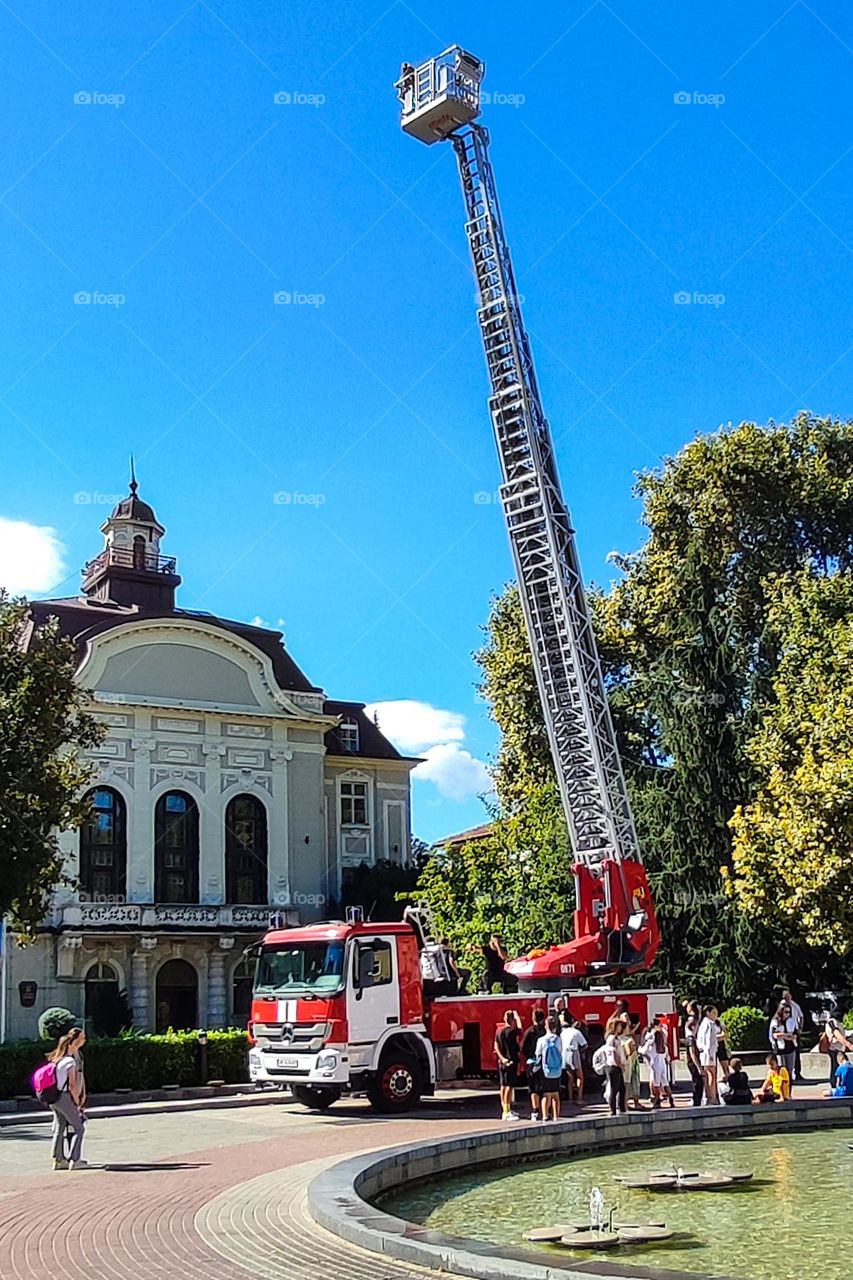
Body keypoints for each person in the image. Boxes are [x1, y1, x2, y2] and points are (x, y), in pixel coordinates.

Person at [47, 1027, 89, 1171]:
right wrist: (77, 1100)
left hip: (53, 1097)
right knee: (79, 1128)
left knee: (60, 1127)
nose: (84, 1040)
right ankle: (75, 1160)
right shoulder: (70, 1061)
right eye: (82, 1037)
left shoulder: (57, 1059)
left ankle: (58, 1159)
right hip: (65, 1097)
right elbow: (72, 1084)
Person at [535, 1015, 565, 1121]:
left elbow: (538, 1054)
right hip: (557, 1070)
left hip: (546, 1070)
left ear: (545, 1026)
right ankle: (556, 1116)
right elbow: (560, 1051)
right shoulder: (558, 1039)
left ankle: (545, 1116)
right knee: (556, 1094)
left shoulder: (541, 1040)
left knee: (546, 1094)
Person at [494, 1010, 521, 1121]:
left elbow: (495, 1046)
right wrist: (518, 1016)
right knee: (509, 1086)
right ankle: (506, 1112)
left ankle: (505, 1107)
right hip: (511, 1061)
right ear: (512, 1020)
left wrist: (502, 1058)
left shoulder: (499, 1032)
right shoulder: (511, 1032)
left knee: (503, 1085)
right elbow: (520, 1029)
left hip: (502, 1062)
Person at [642, 1022, 674, 1109]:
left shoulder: (652, 1046)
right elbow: (668, 1058)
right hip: (663, 1065)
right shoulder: (664, 1047)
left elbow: (643, 1051)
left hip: (655, 1065)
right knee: (665, 1082)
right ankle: (671, 1099)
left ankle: (657, 1101)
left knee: (655, 1084)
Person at [522, 1009, 546, 1120]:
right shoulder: (545, 1032)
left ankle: (535, 1111)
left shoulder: (529, 1031)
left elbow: (522, 1048)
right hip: (545, 1063)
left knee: (533, 1088)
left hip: (532, 1062)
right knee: (545, 1088)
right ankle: (546, 1111)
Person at [768, 1000, 798, 1090]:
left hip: (791, 1049)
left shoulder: (792, 1021)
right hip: (780, 1051)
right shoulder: (775, 1022)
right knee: (781, 1070)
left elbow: (795, 1035)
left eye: (789, 1012)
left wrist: (784, 1035)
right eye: (785, 1012)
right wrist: (786, 1035)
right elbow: (775, 1035)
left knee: (789, 1071)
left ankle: (788, 1091)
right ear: (781, 1012)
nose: (787, 1014)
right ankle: (779, 1091)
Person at [559, 1012, 588, 1104]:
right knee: (580, 1076)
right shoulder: (576, 1032)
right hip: (573, 1052)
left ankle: (570, 1098)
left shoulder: (563, 1032)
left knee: (570, 1077)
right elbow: (585, 1045)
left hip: (564, 1054)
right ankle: (579, 1098)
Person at [696, 1005, 721, 1105]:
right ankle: (712, 1097)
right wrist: (709, 1053)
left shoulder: (705, 1024)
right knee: (712, 1075)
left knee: (709, 1075)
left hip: (707, 1052)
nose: (715, 1016)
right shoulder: (708, 1024)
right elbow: (708, 1040)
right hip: (709, 1052)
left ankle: (709, 1096)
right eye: (714, 1013)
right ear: (708, 1013)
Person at [602, 1018, 627, 1116]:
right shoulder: (612, 1039)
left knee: (622, 1088)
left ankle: (622, 1108)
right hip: (614, 1066)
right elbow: (613, 1053)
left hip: (616, 1065)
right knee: (614, 1088)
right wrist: (620, 1065)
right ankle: (613, 1110)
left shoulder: (615, 1038)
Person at [683, 1000, 705, 1107]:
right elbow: (692, 1054)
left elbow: (698, 1017)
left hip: (694, 1060)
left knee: (697, 1081)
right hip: (694, 1060)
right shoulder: (692, 1037)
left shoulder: (691, 1036)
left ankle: (697, 1100)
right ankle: (697, 1100)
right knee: (697, 1081)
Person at [620, 1016, 643, 1111]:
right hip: (628, 1061)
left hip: (632, 1061)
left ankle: (635, 1102)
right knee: (627, 1083)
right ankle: (625, 1104)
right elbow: (629, 1051)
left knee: (634, 1081)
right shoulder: (624, 1038)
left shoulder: (626, 1036)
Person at [781, 988, 805, 1081]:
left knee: (796, 1052)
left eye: (788, 997)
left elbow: (801, 1016)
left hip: (794, 1029)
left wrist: (800, 1028)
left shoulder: (795, 1005)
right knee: (785, 1051)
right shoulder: (781, 1005)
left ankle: (797, 1072)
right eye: (785, 997)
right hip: (784, 1029)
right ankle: (786, 1074)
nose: (787, 999)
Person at [821, 1018, 853, 1086]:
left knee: (838, 1066)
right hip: (834, 1049)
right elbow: (837, 1034)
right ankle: (836, 1085)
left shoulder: (835, 1021)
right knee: (837, 1067)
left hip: (839, 1048)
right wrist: (848, 1044)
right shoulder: (832, 1021)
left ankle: (839, 1084)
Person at [715, 1017, 730, 1081]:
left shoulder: (719, 1022)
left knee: (725, 1064)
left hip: (721, 1045)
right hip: (712, 1046)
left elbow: (724, 1035)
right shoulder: (705, 1023)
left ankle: (728, 1077)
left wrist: (713, 1037)